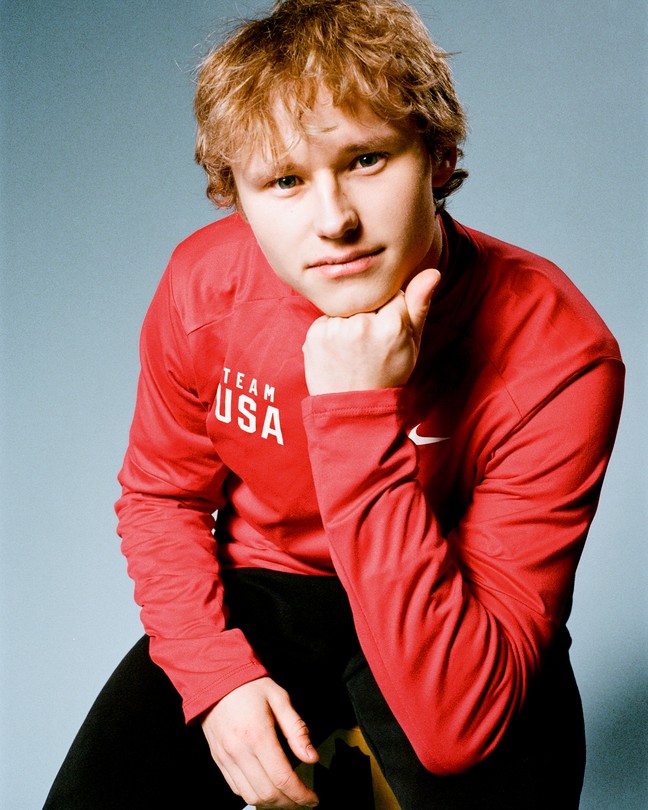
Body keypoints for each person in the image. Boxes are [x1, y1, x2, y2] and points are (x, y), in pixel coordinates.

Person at [44, 0, 624, 807]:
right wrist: (215, 679)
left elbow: (457, 722)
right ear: (236, 199)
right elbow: (161, 497)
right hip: (271, 594)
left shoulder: (559, 350)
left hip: (457, 609)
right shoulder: (204, 288)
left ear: (440, 155)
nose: (334, 222)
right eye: (284, 180)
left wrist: (356, 409)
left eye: (366, 160)